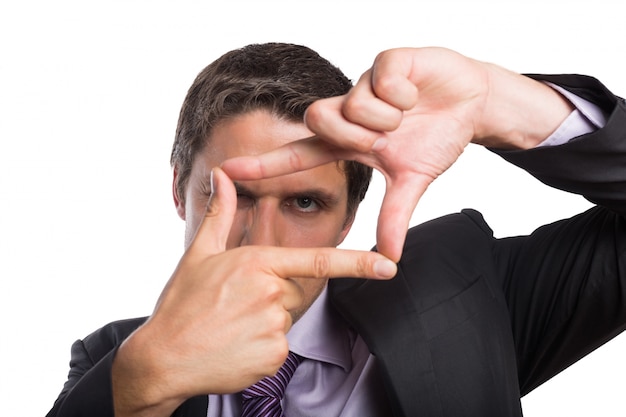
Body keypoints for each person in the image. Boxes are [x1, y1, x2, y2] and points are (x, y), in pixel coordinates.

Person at [46, 43, 626, 417]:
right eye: (235, 195)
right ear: (179, 191)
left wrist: (502, 107)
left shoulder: (465, 300)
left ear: (350, 215)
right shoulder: (116, 359)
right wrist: (143, 377)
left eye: (304, 202)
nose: (262, 243)